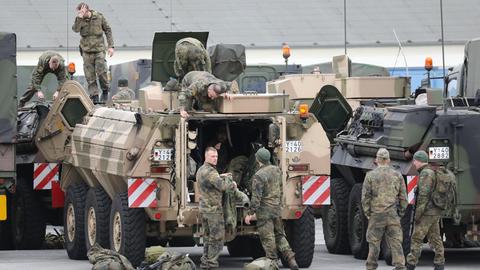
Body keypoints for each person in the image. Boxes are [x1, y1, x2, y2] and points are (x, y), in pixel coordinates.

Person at [244, 148, 299, 270]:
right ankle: (291, 259)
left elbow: (256, 199)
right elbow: (280, 189)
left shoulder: (258, 175)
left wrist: (250, 213)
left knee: (268, 238)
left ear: (258, 160)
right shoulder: (277, 170)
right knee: (280, 235)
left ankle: (272, 263)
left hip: (264, 212)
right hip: (276, 209)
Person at [361, 148, 407, 270]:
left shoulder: (370, 176)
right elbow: (403, 197)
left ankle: (371, 266)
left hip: (376, 214)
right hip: (392, 214)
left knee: (374, 242)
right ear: (389, 160)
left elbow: (365, 197)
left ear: (377, 160)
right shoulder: (397, 175)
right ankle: (400, 266)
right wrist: (400, 213)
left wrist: (368, 213)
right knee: (396, 241)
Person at [196, 147, 237, 269]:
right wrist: (232, 183)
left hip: (204, 209)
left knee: (208, 237)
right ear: (206, 157)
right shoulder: (211, 172)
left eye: (216, 156)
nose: (215, 159)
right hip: (213, 210)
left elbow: (211, 182)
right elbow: (223, 186)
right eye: (212, 156)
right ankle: (212, 263)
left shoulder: (201, 170)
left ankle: (205, 262)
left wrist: (220, 175)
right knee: (218, 238)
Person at [406, 150, 445, 270]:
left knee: (417, 237)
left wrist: (418, 214)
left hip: (427, 212)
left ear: (419, 161)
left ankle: (411, 264)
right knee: (435, 237)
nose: (413, 163)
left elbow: (423, 195)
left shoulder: (426, 173)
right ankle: (439, 263)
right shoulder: (430, 172)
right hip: (433, 211)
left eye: (415, 161)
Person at [72, 2, 114, 103]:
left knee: (101, 71)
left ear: (87, 9)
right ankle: (94, 96)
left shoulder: (99, 17)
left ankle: (105, 91)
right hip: (86, 50)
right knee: (89, 75)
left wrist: (111, 46)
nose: (80, 13)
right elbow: (75, 29)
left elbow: (108, 30)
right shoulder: (79, 19)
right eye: (79, 12)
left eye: (82, 11)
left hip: (99, 49)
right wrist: (80, 18)